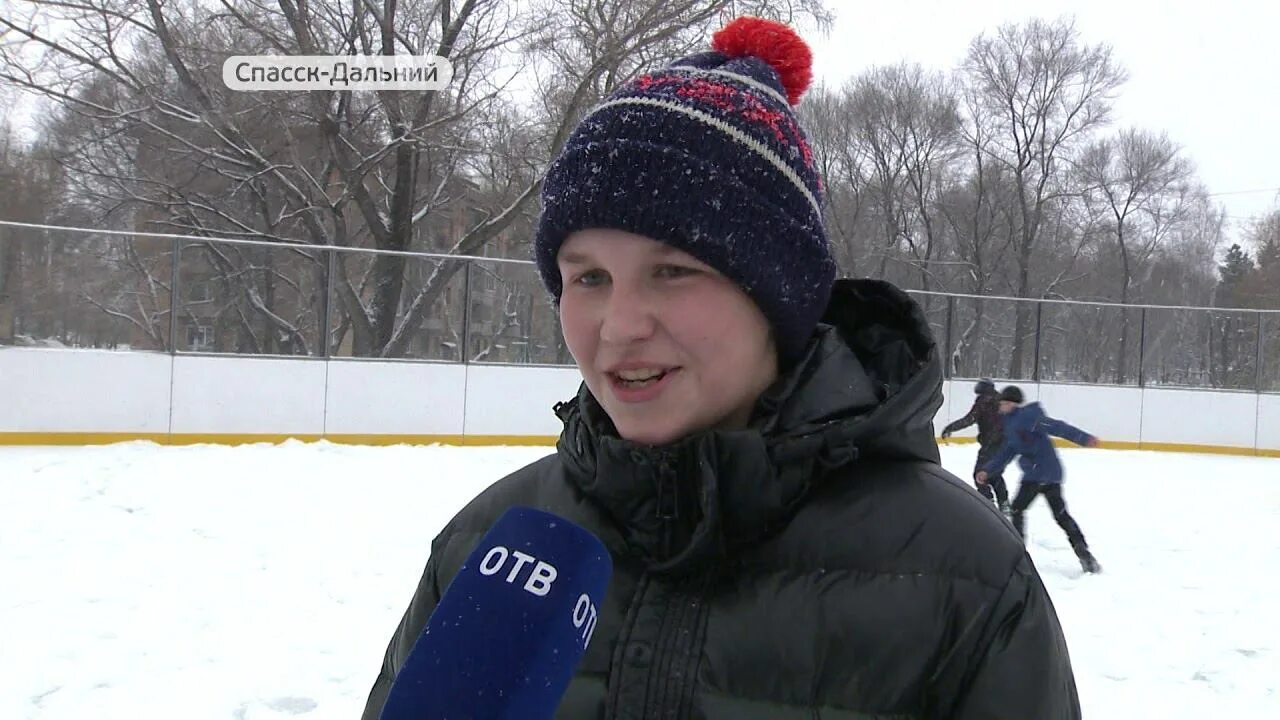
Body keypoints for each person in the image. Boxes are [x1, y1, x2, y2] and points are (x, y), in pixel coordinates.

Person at [362, 17, 1081, 719]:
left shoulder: (965, 579)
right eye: (588, 279)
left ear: (779, 298)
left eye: (672, 271)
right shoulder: (489, 546)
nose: (620, 326)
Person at [977, 386, 1102, 574]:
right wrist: (988, 470)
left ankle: (1017, 557)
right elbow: (1008, 452)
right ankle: (1085, 556)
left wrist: (1084, 439)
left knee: (1018, 510)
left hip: (1039, 474)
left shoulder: (1027, 417)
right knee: (1060, 515)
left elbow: (1057, 427)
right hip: (1046, 474)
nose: (1000, 406)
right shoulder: (1011, 423)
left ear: (1011, 404)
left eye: (1003, 403)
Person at [941, 378, 1011, 515]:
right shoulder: (999, 400)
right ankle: (1004, 503)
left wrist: (951, 427)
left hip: (991, 445)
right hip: (1002, 445)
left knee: (979, 475)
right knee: (994, 474)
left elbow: (969, 419)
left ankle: (989, 502)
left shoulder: (983, 402)